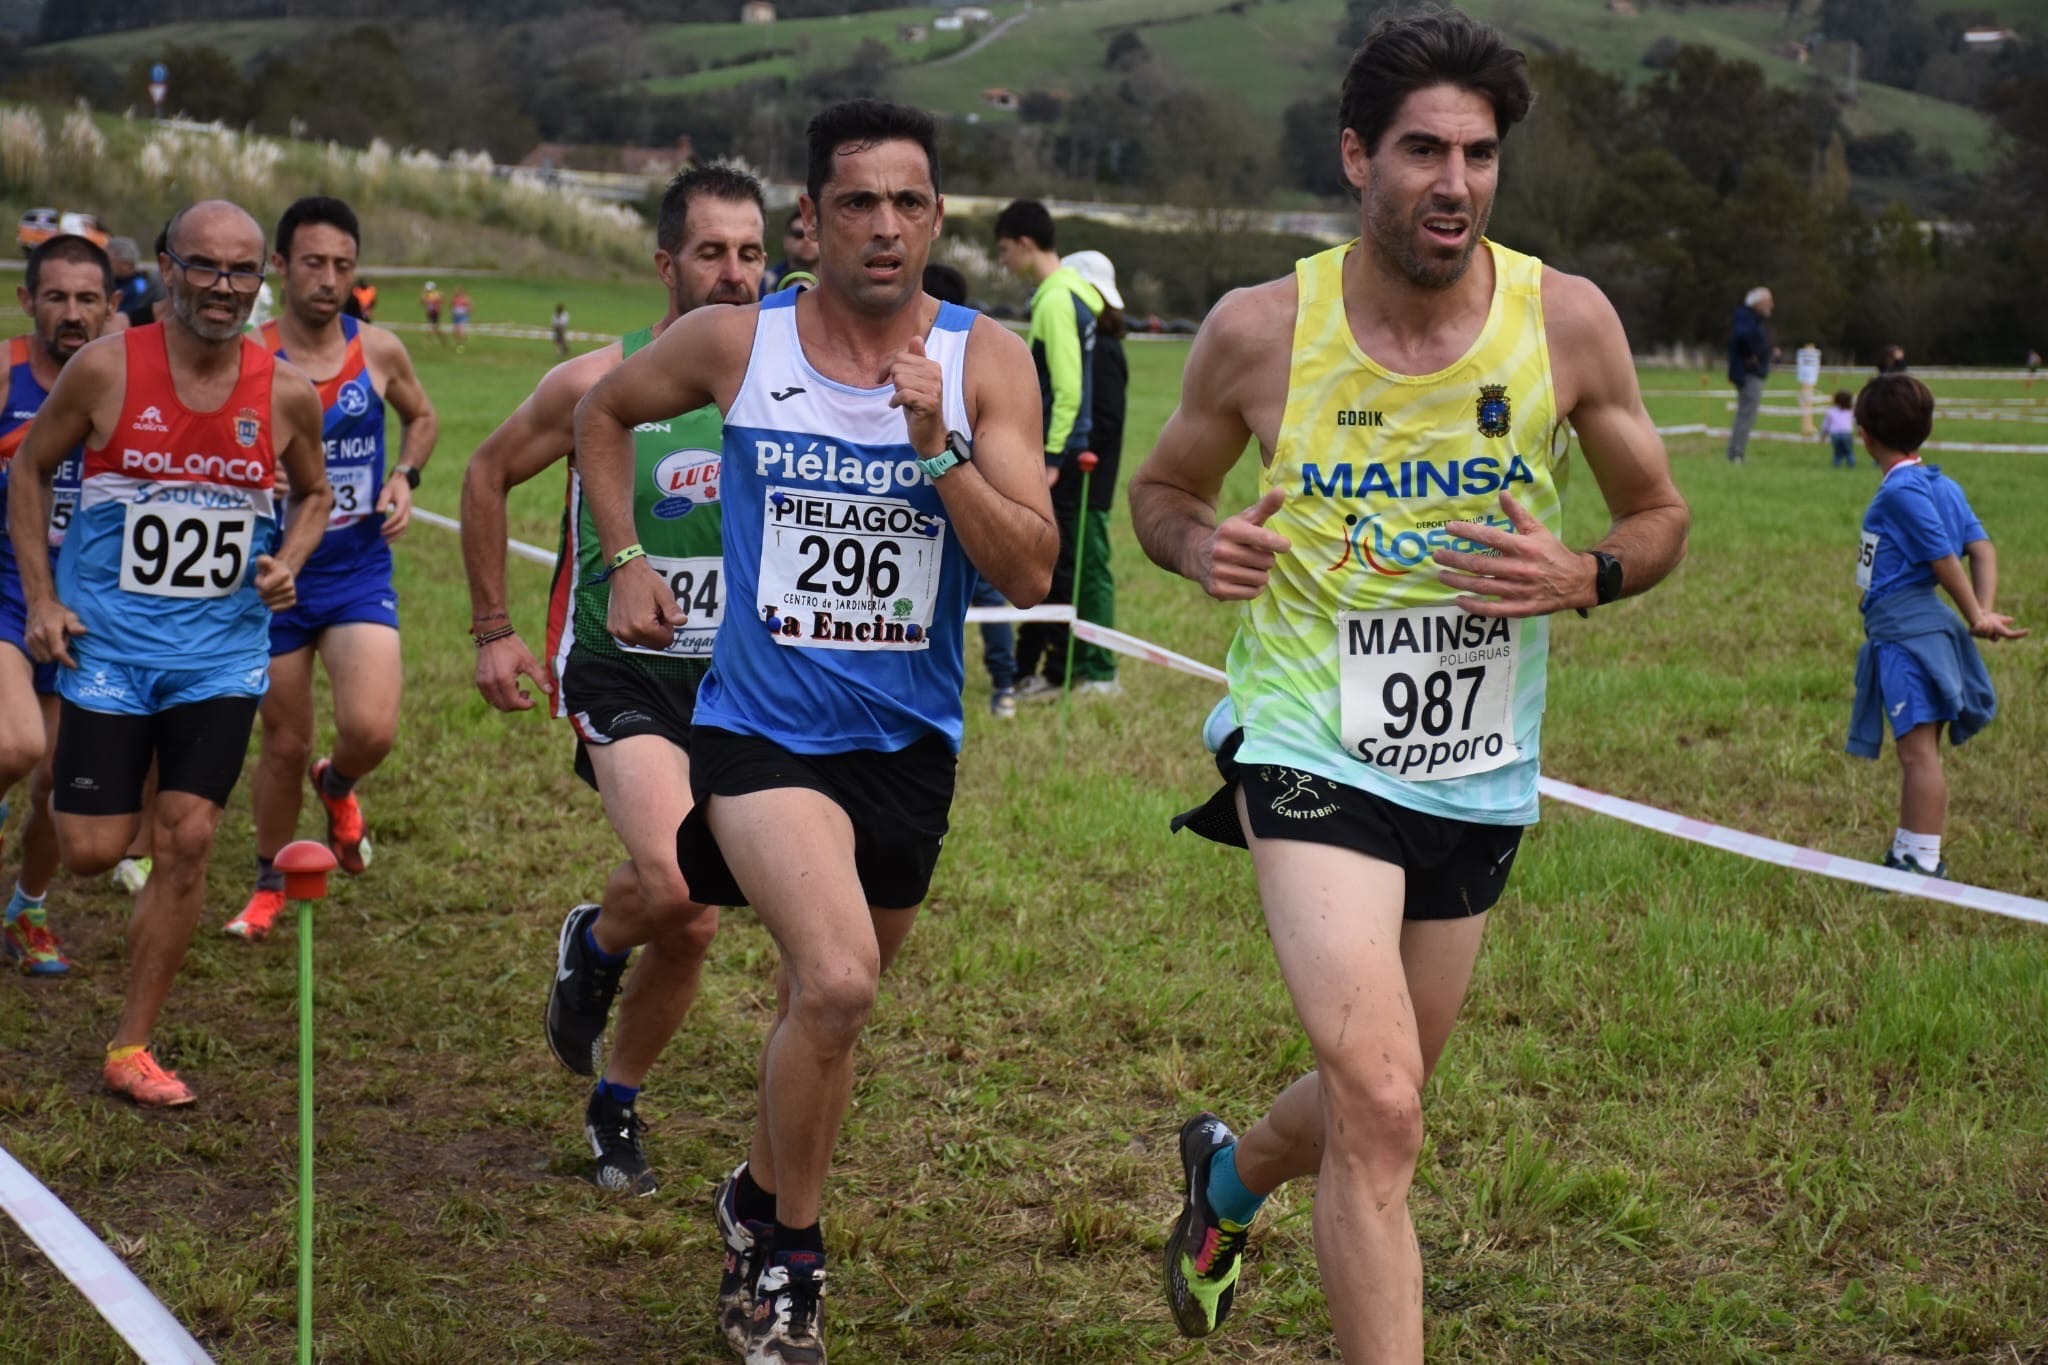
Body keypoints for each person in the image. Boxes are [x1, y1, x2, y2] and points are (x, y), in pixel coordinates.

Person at [1126, 11, 1690, 1360]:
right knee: (1382, 1101)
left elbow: (1659, 514)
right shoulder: (1264, 330)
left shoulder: (1566, 321)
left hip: (1476, 760)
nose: (1456, 181)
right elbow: (1159, 492)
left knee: (1381, 1089)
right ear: (1355, 158)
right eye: (1424, 149)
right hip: (1308, 733)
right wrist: (1207, 545)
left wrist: (1589, 574)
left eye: (1480, 154)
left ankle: (1229, 1179)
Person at [576, 99, 1054, 1364]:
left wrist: (938, 448)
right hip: (759, 735)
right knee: (836, 980)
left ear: (935, 218)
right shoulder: (737, 343)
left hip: (906, 749)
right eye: (857, 203)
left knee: (825, 1005)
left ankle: (749, 1195)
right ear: (810, 218)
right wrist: (623, 557)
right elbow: (601, 415)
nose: (884, 227)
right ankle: (789, 1257)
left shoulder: (986, 359)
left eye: (907, 204)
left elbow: (1026, 569)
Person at [463, 165, 765, 1197]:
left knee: (693, 919)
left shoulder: (791, 390)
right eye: (711, 252)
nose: (733, 275)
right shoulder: (597, 380)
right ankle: (597, 951)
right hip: (620, 670)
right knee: (682, 883)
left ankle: (615, 1092)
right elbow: (486, 473)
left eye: (752, 253)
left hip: (740, 689)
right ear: (666, 264)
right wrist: (494, 628)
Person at [7, 199, 332, 1106]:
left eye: (240, 272)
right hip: (107, 648)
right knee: (89, 848)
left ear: (258, 276)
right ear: (165, 267)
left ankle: (130, 1045)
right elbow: (31, 468)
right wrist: (41, 597)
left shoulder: (283, 390)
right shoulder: (106, 371)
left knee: (188, 839)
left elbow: (313, 494)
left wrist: (289, 562)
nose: (223, 289)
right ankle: (40, 844)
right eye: (204, 267)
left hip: (220, 655)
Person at [223, 197, 438, 942]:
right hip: (272, 576)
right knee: (282, 740)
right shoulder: (245, 355)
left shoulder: (376, 349)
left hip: (354, 568)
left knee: (372, 729)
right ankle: (269, 879)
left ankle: (338, 781)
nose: (328, 279)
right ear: (279, 266)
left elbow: (423, 415)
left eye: (342, 266)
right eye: (312, 262)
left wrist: (405, 475)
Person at [1845, 373, 2024, 879]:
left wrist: (1977, 615)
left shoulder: (1901, 491)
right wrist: (1984, 607)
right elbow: (1981, 548)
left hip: (1910, 635)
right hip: (1912, 632)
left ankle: (1923, 862)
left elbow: (1946, 559)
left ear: (1865, 434)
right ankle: (1906, 848)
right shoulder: (1940, 483)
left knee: (1917, 753)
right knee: (1916, 748)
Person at [0, 234, 117, 975]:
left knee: (53, 784)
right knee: (18, 746)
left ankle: (25, 908)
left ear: (111, 306)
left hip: (91, 611)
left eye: (86, 299)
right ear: (27, 301)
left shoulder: (126, 381)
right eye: (55, 297)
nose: (71, 313)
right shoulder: (7, 372)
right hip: (9, 592)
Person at [994, 199, 1105, 700]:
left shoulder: (1057, 299)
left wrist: (1054, 457)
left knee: (1049, 569)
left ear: (1023, 243)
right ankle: (1038, 667)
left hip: (1058, 458)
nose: (1003, 263)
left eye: (1003, 251)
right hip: (1063, 452)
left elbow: (1067, 389)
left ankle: (1047, 674)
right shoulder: (1073, 294)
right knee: (1056, 566)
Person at [924, 260, 1017, 716]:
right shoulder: (977, 360)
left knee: (981, 592)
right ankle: (1005, 687)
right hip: (958, 507)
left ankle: (1003, 683)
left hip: (959, 508)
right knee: (984, 595)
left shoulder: (966, 364)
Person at [1057, 248, 1128, 695]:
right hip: (1077, 479)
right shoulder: (1091, 341)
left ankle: (1100, 669)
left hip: (1087, 482)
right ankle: (1077, 658)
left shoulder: (1102, 348)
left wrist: (1072, 457)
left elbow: (1106, 420)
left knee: (1091, 572)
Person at [1725, 284, 1772, 463]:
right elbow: (1742, 337)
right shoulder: (1746, 318)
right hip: (1748, 373)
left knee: (1746, 413)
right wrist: (1750, 355)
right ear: (1758, 303)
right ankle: (1736, 453)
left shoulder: (1752, 319)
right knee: (1746, 413)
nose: (1771, 306)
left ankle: (1737, 451)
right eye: (1768, 302)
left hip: (1752, 371)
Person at [105, 237, 161, 329]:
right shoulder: (109, 281)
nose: (104, 264)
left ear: (126, 264)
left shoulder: (140, 285)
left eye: (109, 260)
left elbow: (134, 311)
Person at [763, 207, 820, 292]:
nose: (806, 240)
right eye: (798, 234)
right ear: (785, 242)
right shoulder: (764, 282)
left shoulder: (839, 281)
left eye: (813, 234)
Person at [1822, 388, 1856, 468]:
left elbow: (1826, 424)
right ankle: (1851, 465)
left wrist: (1823, 435)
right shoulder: (1850, 411)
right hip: (1846, 433)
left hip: (1835, 434)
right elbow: (1855, 422)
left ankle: (1837, 465)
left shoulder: (1831, 411)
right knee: (1849, 451)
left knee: (1838, 452)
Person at [422, 280, 444, 344]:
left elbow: (423, 301)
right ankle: (429, 340)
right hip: (431, 312)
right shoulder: (434, 294)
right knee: (432, 327)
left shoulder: (434, 294)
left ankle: (441, 340)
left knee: (434, 327)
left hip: (434, 312)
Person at [451, 286, 471, 352]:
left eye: (457, 291)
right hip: (455, 317)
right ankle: (464, 337)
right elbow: (451, 306)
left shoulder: (465, 299)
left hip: (463, 317)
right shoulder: (454, 299)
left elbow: (470, 307)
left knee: (460, 330)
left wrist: (465, 310)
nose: (456, 292)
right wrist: (453, 311)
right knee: (455, 332)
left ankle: (460, 345)